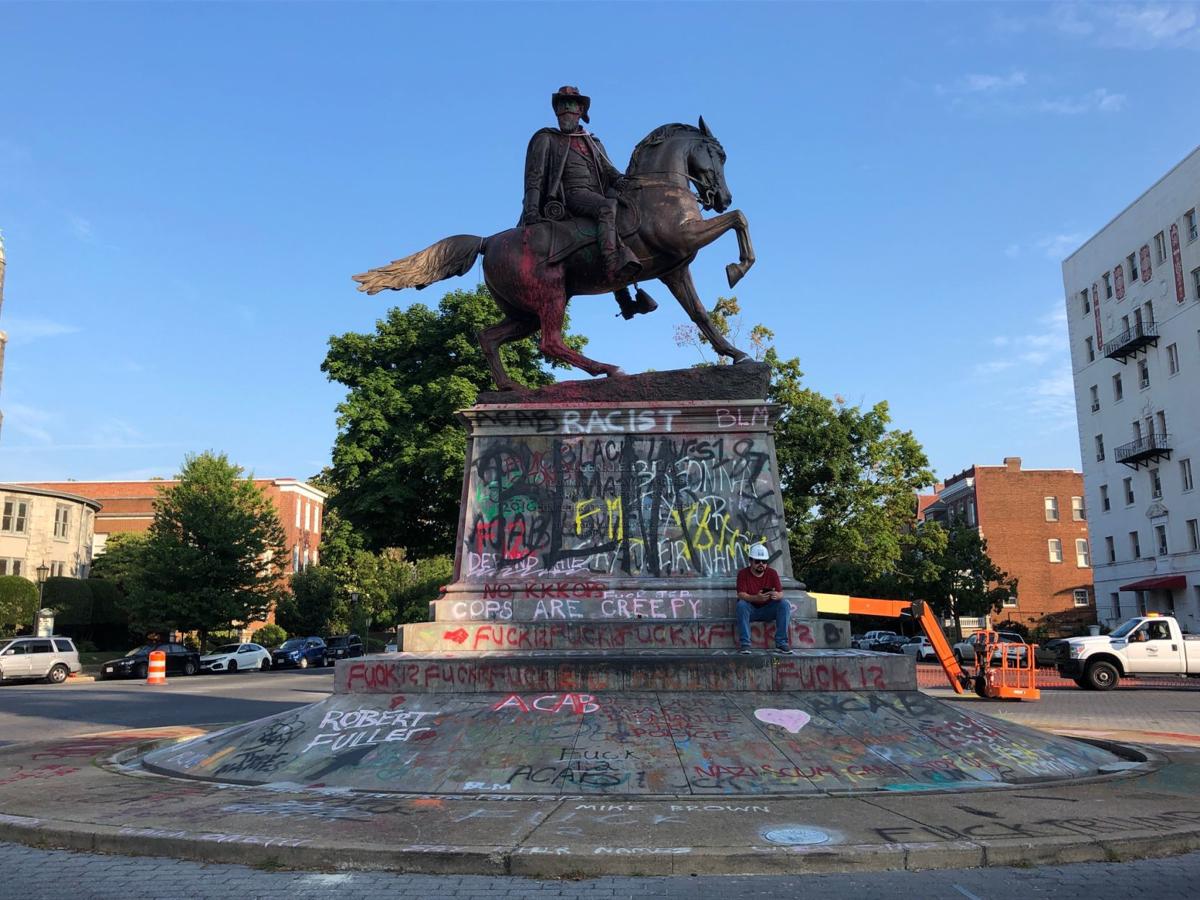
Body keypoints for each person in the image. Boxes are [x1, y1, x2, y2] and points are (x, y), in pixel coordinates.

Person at [522, 86, 653, 318]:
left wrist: (626, 182)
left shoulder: (592, 142)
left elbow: (609, 171)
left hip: (596, 194)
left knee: (625, 215)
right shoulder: (547, 138)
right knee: (607, 207)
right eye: (561, 107)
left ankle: (626, 301)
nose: (564, 112)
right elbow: (535, 176)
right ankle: (613, 265)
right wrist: (531, 211)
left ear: (580, 111)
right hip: (571, 195)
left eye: (570, 107)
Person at [735, 544, 792, 655]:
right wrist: (756, 597)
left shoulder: (772, 573)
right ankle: (745, 644)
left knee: (784, 604)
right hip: (750, 609)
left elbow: (781, 593)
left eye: (764, 561)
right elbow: (741, 594)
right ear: (750, 561)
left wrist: (776, 595)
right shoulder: (743, 574)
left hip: (768, 609)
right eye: (757, 561)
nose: (761, 564)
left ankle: (781, 643)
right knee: (741, 605)